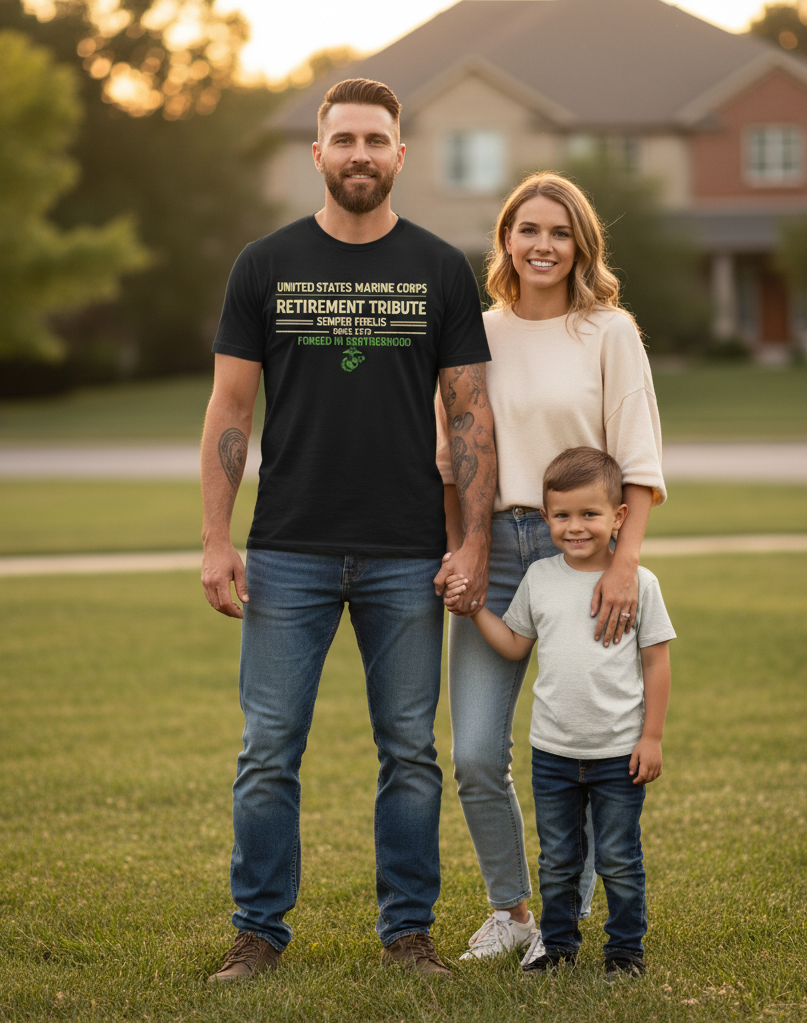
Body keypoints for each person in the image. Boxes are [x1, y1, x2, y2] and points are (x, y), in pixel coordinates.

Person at [200, 78, 496, 983]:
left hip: (409, 552)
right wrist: (218, 538)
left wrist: (473, 543)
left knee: (409, 751)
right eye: (345, 140)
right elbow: (230, 406)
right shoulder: (265, 264)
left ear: (400, 155)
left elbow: (470, 417)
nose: (360, 154)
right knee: (266, 752)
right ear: (318, 153)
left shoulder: (442, 269)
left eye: (376, 139)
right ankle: (258, 934)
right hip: (288, 547)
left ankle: (409, 934)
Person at [435, 172, 666, 960]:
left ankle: (568, 910)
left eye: (560, 232)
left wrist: (624, 563)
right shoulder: (477, 330)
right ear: (505, 239)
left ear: (581, 245)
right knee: (472, 752)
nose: (543, 245)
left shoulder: (609, 332)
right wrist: (460, 549)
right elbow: (451, 460)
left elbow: (636, 458)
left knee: (595, 745)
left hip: (584, 554)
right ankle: (514, 913)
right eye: (528, 229)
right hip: (494, 549)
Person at [444, 446, 674, 976]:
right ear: (546, 517)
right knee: (558, 860)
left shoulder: (639, 583)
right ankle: (559, 947)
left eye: (589, 514)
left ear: (619, 516)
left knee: (618, 858)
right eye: (563, 515)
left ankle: (624, 952)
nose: (576, 527)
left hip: (619, 753)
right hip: (552, 754)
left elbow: (657, 664)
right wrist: (474, 608)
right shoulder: (540, 579)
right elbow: (513, 646)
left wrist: (652, 738)